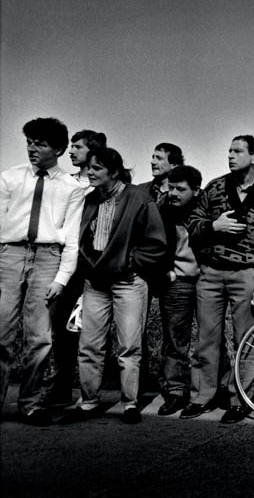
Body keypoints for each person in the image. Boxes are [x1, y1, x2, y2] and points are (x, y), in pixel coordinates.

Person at [180, 135, 254, 424]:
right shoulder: (215, 187)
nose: (230, 155)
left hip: (249, 273)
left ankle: (241, 399)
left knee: (246, 340)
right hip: (212, 272)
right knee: (206, 338)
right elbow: (193, 224)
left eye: (237, 151)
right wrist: (214, 226)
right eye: (229, 150)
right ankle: (202, 396)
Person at [73, 147, 167, 424]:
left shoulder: (138, 197)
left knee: (129, 346)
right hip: (95, 283)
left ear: (113, 172)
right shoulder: (89, 199)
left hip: (128, 282)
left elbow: (157, 242)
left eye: (97, 168)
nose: (90, 172)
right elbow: (80, 238)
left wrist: (132, 261)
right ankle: (88, 401)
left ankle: (129, 403)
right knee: (89, 344)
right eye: (89, 167)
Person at [0, 118, 85, 425]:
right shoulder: (10, 178)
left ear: (59, 149)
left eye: (41, 143)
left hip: (49, 257)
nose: (32, 148)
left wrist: (62, 278)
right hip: (10, 254)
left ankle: (30, 403)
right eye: (30, 142)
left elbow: (72, 238)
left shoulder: (71, 187)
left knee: (40, 337)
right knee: (2, 334)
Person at [44, 129, 108, 406]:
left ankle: (90, 390)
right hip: (66, 261)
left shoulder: (101, 186)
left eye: (77, 147)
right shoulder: (65, 182)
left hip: (92, 264)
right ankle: (60, 386)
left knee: (90, 330)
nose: (71, 151)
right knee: (61, 328)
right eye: (71, 146)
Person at [154, 165, 203, 416]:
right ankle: (175, 391)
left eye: (180, 189)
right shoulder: (162, 209)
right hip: (177, 281)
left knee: (209, 339)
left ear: (196, 190)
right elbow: (152, 242)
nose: (173, 193)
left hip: (206, 281)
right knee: (175, 340)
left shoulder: (206, 207)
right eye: (171, 187)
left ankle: (209, 390)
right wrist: (165, 271)